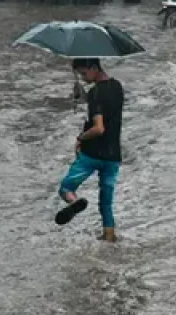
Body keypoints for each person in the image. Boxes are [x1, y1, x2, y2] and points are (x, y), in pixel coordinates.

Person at [56, 58, 125, 243]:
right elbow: (106, 106)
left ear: (94, 68)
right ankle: (109, 236)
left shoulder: (95, 93)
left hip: (92, 153)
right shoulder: (117, 86)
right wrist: (83, 96)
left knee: (66, 188)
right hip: (113, 155)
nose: (83, 78)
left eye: (84, 73)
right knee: (106, 202)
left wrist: (80, 138)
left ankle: (74, 201)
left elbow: (98, 128)